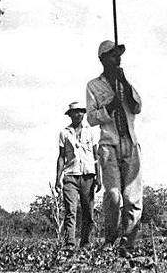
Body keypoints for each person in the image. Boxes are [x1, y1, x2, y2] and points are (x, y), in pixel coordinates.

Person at [86, 40, 143, 258]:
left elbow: (137, 107)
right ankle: (110, 239)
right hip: (109, 144)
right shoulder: (93, 85)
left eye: (118, 55)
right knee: (112, 195)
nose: (117, 58)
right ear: (102, 59)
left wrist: (125, 83)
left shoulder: (124, 81)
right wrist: (110, 106)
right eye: (112, 55)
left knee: (132, 197)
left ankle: (128, 242)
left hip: (130, 142)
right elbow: (91, 118)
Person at [55, 102, 101, 250]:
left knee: (88, 212)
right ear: (70, 114)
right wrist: (58, 178)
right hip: (70, 175)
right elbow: (61, 157)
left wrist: (99, 177)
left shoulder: (91, 132)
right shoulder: (64, 132)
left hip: (88, 175)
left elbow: (96, 155)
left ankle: (85, 243)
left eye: (81, 111)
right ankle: (69, 243)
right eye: (76, 112)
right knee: (70, 210)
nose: (79, 114)